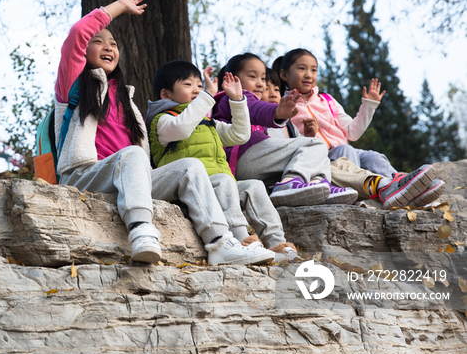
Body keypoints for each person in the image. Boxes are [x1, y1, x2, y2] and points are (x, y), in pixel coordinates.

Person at [55, 0, 274, 266]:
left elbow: (236, 135)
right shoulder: (72, 87)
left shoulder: (126, 99)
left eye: (113, 43)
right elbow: (77, 34)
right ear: (83, 52)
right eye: (98, 42)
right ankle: (141, 230)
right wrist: (120, 7)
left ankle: (220, 243)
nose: (108, 47)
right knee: (132, 154)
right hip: (85, 175)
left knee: (190, 166)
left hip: (132, 177)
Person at [145, 60, 294, 262]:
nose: (197, 90)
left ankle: (277, 242)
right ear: (166, 94)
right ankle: (242, 240)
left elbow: (240, 135)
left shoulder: (208, 123)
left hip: (217, 187)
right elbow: (182, 127)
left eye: (199, 85)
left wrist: (237, 100)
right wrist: (207, 96)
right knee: (224, 180)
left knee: (253, 186)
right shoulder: (163, 120)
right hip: (189, 189)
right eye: (188, 85)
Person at [277, 48, 445, 209]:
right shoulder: (283, 107)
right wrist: (309, 137)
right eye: (302, 68)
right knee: (346, 150)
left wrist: (369, 106)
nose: (309, 74)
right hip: (323, 159)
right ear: (284, 74)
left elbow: (353, 132)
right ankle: (371, 193)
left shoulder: (327, 100)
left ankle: (404, 188)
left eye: (314, 70)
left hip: (347, 150)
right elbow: (289, 144)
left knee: (374, 157)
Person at [211, 53, 358, 207]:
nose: (261, 84)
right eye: (253, 77)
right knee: (315, 144)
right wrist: (277, 112)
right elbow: (255, 109)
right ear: (231, 79)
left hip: (255, 164)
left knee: (317, 152)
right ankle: (290, 182)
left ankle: (319, 185)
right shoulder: (233, 98)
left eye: (262, 78)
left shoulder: (241, 99)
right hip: (242, 156)